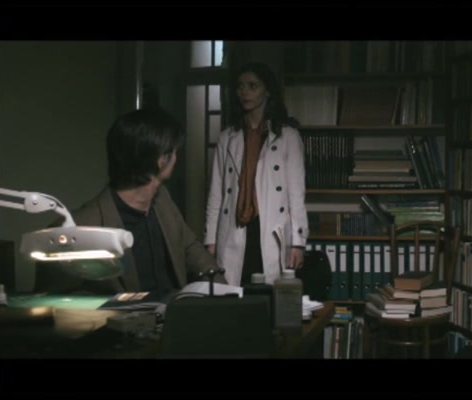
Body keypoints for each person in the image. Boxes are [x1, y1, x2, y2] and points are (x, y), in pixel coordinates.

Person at [34, 108, 225, 294]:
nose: (176, 158)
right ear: (161, 160)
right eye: (174, 152)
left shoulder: (162, 201)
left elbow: (191, 248)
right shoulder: (76, 228)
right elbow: (55, 303)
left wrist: (224, 291)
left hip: (174, 312)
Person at [205, 60, 308, 286]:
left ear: (267, 91)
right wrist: (211, 239)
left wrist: (298, 242)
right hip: (234, 228)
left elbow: (296, 194)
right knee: (232, 292)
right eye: (240, 86)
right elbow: (216, 193)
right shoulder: (227, 137)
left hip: (271, 227)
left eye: (253, 86)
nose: (245, 92)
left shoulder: (287, 136)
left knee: (268, 295)